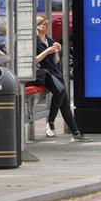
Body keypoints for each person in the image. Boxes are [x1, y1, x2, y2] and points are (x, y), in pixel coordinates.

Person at [35, 14, 91, 142]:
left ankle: (75, 132)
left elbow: (55, 62)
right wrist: (47, 51)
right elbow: (34, 60)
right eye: (44, 24)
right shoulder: (34, 41)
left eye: (48, 24)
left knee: (64, 102)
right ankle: (51, 122)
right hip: (43, 74)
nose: (47, 27)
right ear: (37, 27)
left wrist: (56, 52)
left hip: (54, 73)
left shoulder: (49, 40)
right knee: (60, 91)